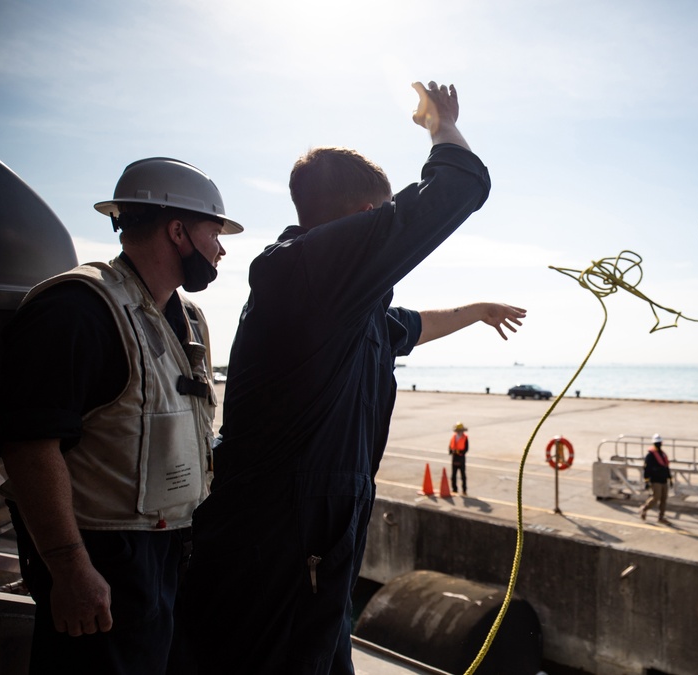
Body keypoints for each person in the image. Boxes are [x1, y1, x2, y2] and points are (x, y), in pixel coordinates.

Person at [186, 80, 526, 674]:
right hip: (279, 533)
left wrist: (474, 312)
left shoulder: (344, 308)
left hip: (321, 531)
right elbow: (459, 186)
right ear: (364, 218)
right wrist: (441, 125)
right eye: (378, 218)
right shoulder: (307, 275)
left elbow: (407, 326)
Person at [0, 157, 241, 674]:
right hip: (104, 560)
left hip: (167, 552)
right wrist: (69, 569)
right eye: (214, 232)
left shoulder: (184, 317)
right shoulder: (77, 310)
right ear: (178, 231)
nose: (221, 248)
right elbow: (27, 447)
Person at [640, 433, 674, 524]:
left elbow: (666, 467)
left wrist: (670, 479)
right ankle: (644, 508)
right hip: (655, 481)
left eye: (659, 443)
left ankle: (661, 517)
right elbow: (646, 469)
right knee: (656, 498)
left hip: (664, 480)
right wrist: (646, 481)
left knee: (664, 499)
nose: (658, 444)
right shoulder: (650, 456)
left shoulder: (663, 454)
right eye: (656, 443)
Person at [449, 422, 470, 495]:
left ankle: (464, 489)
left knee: (463, 475)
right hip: (454, 456)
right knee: (453, 475)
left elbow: (466, 448)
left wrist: (460, 453)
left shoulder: (465, 437)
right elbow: (450, 445)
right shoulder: (454, 436)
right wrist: (451, 451)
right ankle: (454, 489)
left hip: (461, 457)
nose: (459, 432)